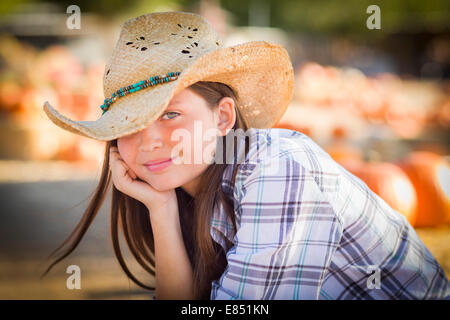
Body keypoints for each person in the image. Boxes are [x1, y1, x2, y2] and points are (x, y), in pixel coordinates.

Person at [41, 11, 449, 300]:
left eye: (170, 114)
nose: (148, 141)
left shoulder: (278, 168)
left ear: (223, 117)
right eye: (129, 125)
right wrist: (161, 208)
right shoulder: (185, 193)